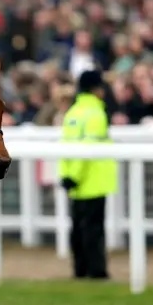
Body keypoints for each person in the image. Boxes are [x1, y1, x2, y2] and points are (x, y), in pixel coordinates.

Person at [58, 69, 118, 280]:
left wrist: (68, 175)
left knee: (77, 227)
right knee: (94, 228)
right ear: (96, 89)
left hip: (75, 183)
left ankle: (80, 269)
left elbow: (67, 148)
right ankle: (96, 270)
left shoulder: (72, 113)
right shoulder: (96, 113)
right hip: (94, 180)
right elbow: (89, 148)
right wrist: (75, 175)